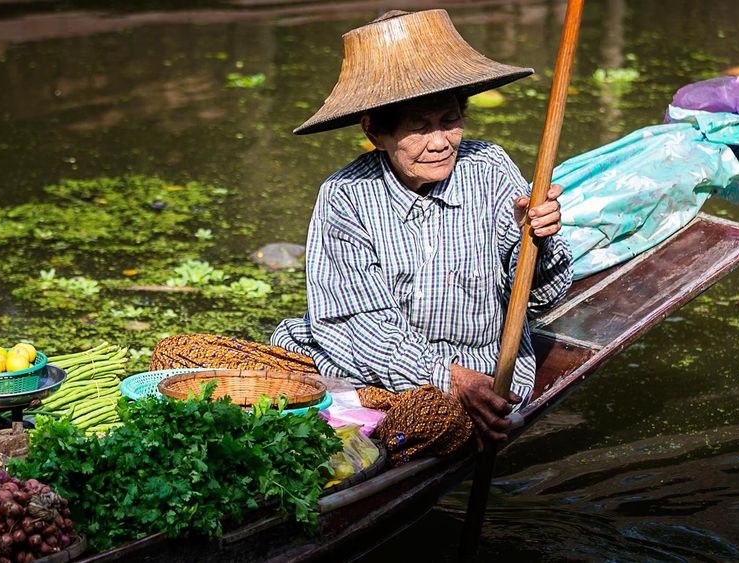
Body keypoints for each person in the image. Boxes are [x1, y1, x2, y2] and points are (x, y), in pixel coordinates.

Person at [151, 9, 572, 461]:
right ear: (375, 131)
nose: (440, 141)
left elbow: (540, 298)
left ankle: (365, 424)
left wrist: (539, 239)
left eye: (450, 120)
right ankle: (360, 412)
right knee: (180, 354)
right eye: (419, 126)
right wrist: (444, 374)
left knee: (431, 416)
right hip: (363, 368)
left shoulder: (488, 167)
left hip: (479, 375)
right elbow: (357, 325)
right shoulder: (345, 196)